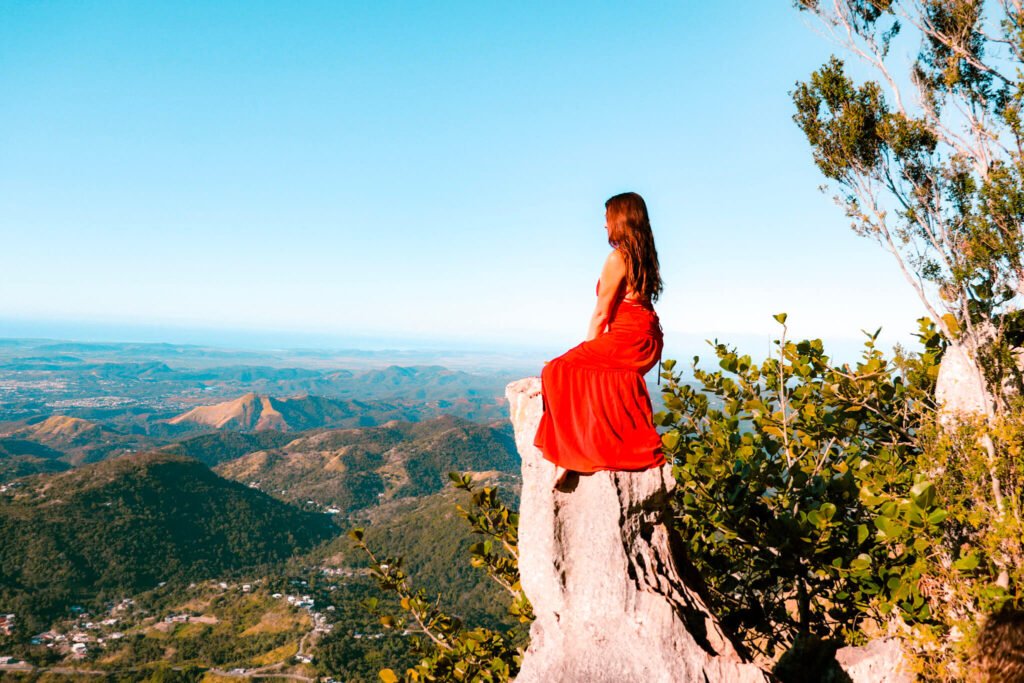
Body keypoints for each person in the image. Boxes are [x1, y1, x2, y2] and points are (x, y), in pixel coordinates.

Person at [533, 191, 666, 487]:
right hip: (647, 338)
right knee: (599, 376)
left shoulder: (618, 257)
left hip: (630, 337)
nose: (604, 226)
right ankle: (579, 451)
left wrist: (585, 351)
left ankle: (570, 455)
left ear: (619, 220)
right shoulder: (644, 255)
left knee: (556, 371)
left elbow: (601, 314)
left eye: (606, 219)